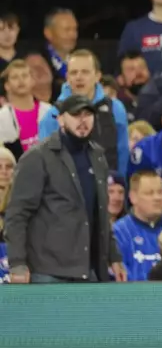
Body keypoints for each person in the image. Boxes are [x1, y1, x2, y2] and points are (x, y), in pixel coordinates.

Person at [4, 95, 126, 283]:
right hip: (47, 271)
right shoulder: (38, 157)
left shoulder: (98, 156)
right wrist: (18, 263)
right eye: (76, 115)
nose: (82, 120)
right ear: (60, 119)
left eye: (87, 114)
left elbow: (100, 214)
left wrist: (114, 257)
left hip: (89, 268)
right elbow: (17, 214)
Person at [39, 49, 130, 176]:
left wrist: (121, 187)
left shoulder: (115, 108)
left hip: (109, 187)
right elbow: (46, 161)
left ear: (97, 76)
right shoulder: (52, 115)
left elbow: (123, 153)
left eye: (85, 72)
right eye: (73, 73)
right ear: (67, 78)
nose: (79, 77)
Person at [113, 170, 162, 281]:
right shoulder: (119, 232)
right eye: (149, 193)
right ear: (133, 197)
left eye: (161, 192)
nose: (157, 198)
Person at [0, 59, 52, 160]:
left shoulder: (48, 111)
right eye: (15, 77)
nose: (21, 80)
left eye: (24, 76)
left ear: (33, 81)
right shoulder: (2, 117)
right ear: (7, 86)